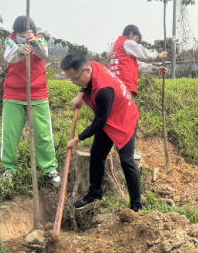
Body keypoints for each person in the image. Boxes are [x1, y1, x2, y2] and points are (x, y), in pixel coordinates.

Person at [61, 53, 142, 211]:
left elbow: (99, 123)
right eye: (70, 79)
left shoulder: (104, 90)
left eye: (75, 79)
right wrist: (80, 94)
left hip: (124, 119)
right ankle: (94, 194)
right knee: (96, 154)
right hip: (109, 117)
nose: (73, 82)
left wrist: (77, 139)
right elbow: (84, 85)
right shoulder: (90, 65)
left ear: (86, 71)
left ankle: (136, 207)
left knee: (127, 161)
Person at [1, 16, 61, 186]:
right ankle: (9, 169)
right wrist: (21, 50)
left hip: (37, 93)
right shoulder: (10, 41)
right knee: (10, 134)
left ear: (34, 32)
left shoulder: (40, 40)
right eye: (19, 35)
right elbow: (10, 56)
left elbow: (44, 54)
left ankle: (50, 168)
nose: (21, 38)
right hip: (13, 95)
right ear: (14, 33)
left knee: (43, 134)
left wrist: (34, 43)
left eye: (25, 35)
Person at [108, 24, 168, 159]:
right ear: (131, 34)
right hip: (123, 88)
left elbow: (135, 65)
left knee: (119, 119)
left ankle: (120, 149)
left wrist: (155, 68)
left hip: (116, 87)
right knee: (129, 119)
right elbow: (144, 53)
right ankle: (128, 152)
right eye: (136, 38)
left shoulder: (117, 47)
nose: (135, 42)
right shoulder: (127, 42)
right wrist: (158, 54)